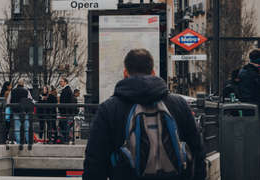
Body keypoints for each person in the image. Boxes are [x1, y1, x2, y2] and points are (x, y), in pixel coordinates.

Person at [83, 49, 205, 180]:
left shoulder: (109, 108)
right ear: (153, 72)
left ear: (125, 73)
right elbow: (197, 150)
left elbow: (95, 160)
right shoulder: (178, 104)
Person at [8, 79, 33, 149]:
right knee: (26, 127)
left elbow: (8, 101)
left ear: (18, 84)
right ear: (23, 84)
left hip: (16, 111)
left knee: (17, 128)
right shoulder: (26, 91)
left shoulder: (12, 91)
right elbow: (30, 100)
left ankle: (19, 143)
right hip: (25, 112)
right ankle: (28, 142)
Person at [58, 77, 74, 144]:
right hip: (66, 111)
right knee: (63, 126)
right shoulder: (67, 89)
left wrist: (61, 109)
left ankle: (66, 139)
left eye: (61, 81)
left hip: (65, 112)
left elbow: (64, 101)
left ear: (65, 82)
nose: (60, 83)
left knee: (65, 126)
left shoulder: (66, 90)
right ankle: (66, 139)